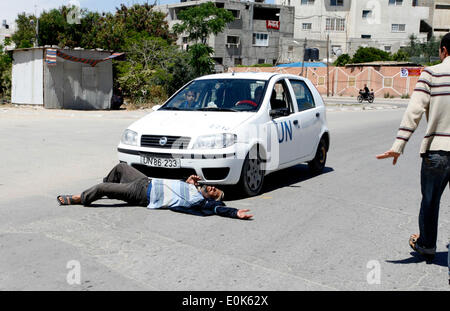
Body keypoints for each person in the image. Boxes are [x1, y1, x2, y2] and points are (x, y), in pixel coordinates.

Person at [376, 33, 450, 275]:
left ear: (444, 51)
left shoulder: (431, 73)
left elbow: (414, 111)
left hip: (437, 151)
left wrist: (399, 145)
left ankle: (427, 245)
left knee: (430, 201)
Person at [57, 163, 253, 220]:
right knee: (121, 167)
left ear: (213, 200)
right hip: (145, 180)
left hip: (142, 194)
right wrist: (186, 181)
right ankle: (111, 190)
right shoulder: (191, 188)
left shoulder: (200, 203)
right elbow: (174, 186)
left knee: (101, 188)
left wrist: (234, 212)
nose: (212, 188)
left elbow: (218, 209)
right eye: (214, 187)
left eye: (215, 192)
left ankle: (79, 198)